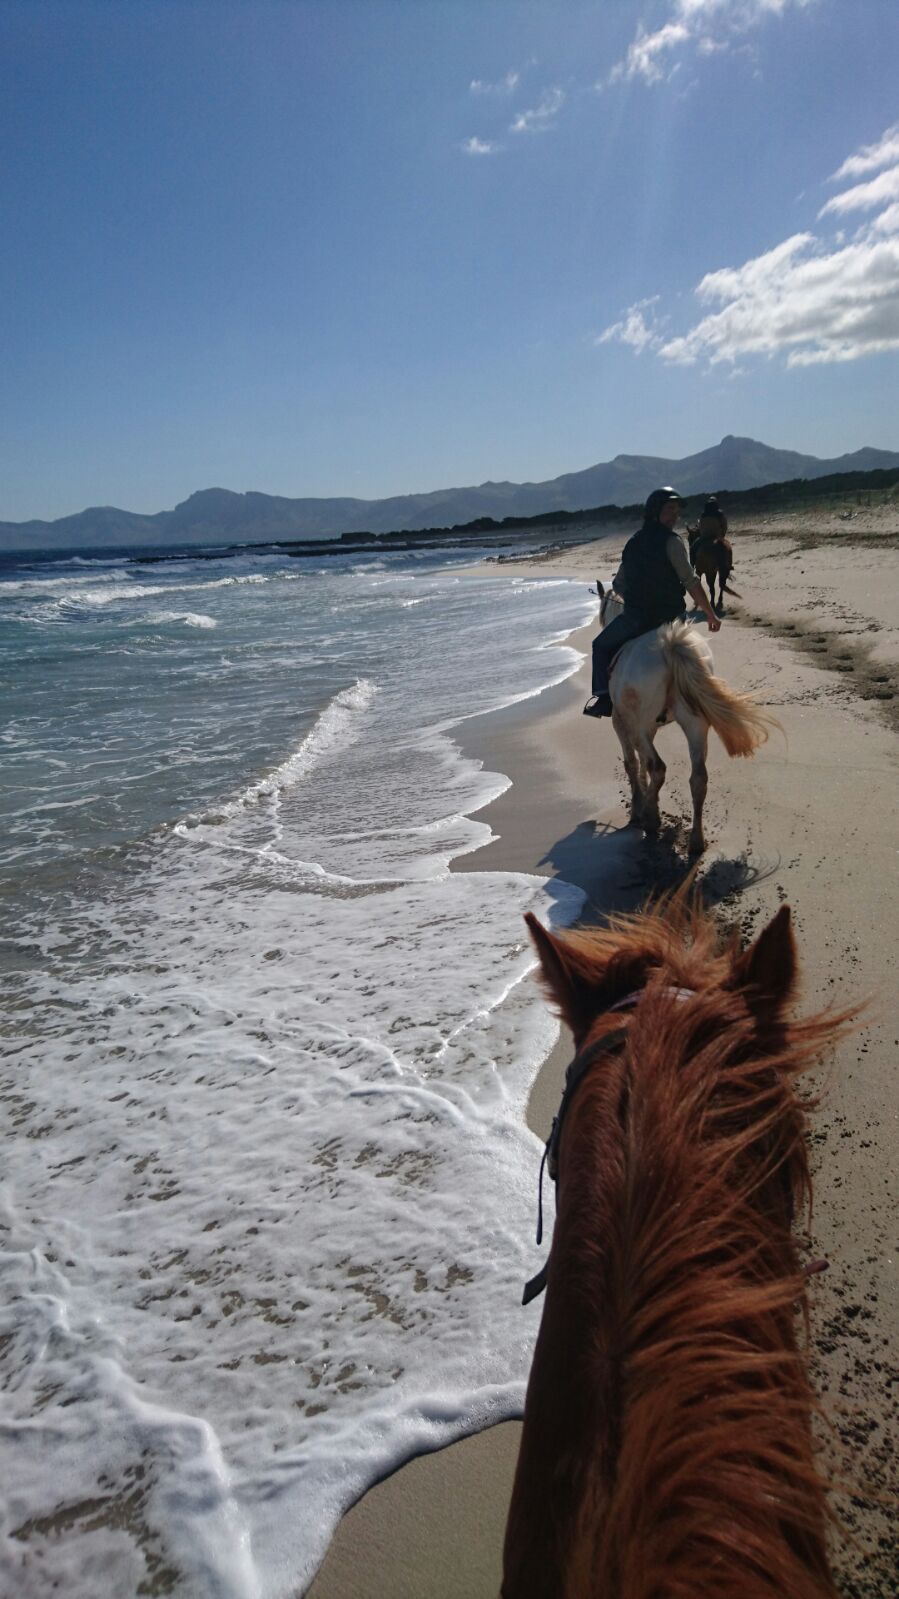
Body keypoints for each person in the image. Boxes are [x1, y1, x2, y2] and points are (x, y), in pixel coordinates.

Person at [584, 487, 721, 718]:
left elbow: (618, 584)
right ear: (655, 511)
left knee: (600, 646)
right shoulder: (673, 542)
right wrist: (710, 614)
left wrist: (638, 600)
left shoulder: (633, 544)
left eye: (677, 511)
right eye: (670, 510)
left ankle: (604, 699)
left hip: (636, 619)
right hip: (673, 619)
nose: (675, 516)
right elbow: (690, 582)